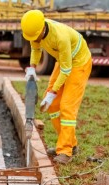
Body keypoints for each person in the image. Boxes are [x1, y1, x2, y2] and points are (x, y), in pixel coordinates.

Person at [21, 10, 91, 165]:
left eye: (35, 37)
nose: (34, 39)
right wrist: (32, 68)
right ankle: (68, 143)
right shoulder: (35, 32)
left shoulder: (60, 37)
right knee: (52, 105)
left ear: (42, 29)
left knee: (67, 107)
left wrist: (53, 91)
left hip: (79, 62)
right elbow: (35, 49)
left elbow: (66, 69)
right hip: (64, 60)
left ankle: (66, 151)